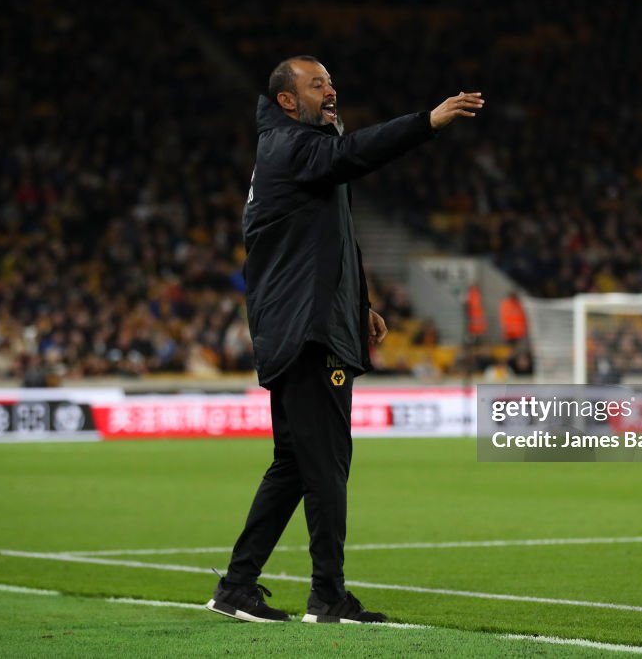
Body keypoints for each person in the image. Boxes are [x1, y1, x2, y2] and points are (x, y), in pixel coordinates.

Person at [207, 56, 484, 624]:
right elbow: (352, 154)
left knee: (293, 463)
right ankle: (328, 595)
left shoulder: (293, 152)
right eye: (317, 84)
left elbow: (318, 244)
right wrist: (425, 122)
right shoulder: (294, 148)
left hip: (299, 324)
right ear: (288, 100)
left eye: (331, 81)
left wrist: (357, 304)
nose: (331, 90)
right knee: (328, 463)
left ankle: (236, 587)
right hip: (308, 333)